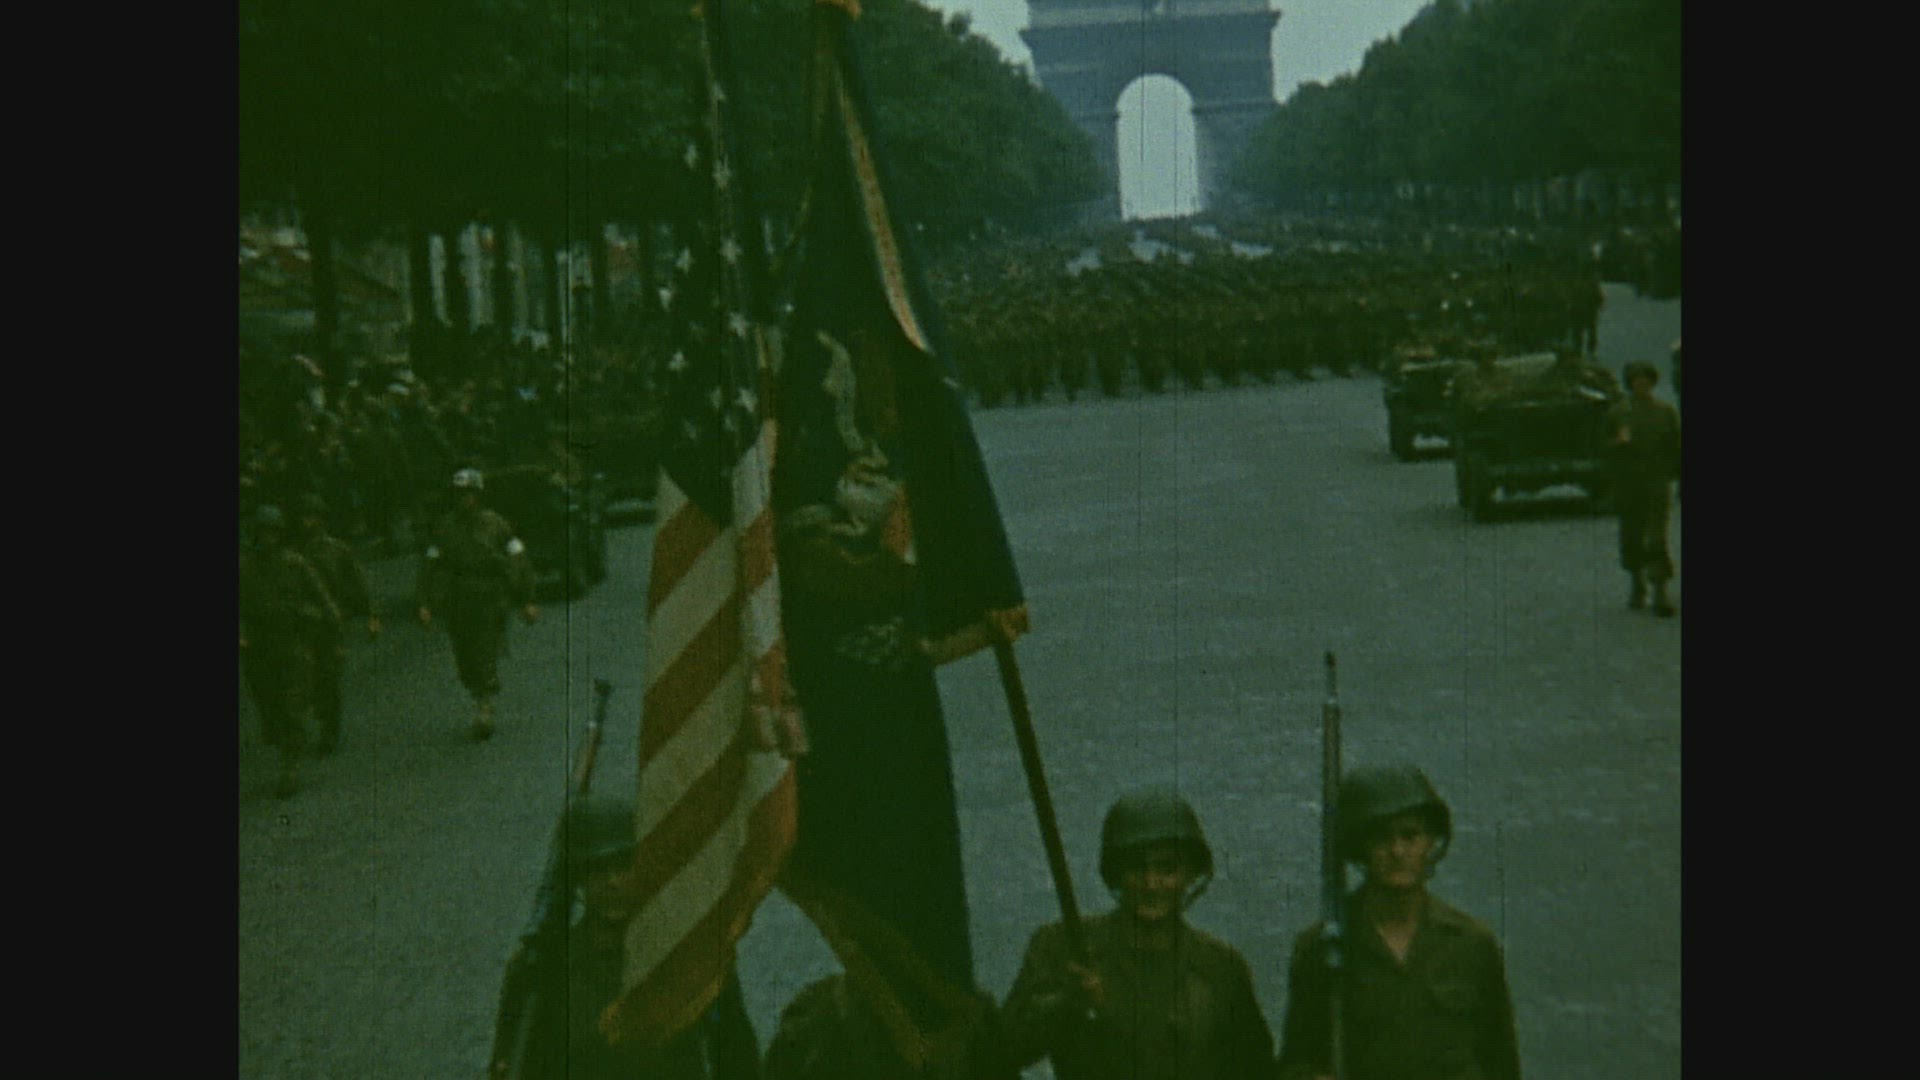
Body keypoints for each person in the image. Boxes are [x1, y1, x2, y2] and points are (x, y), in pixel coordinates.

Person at [1000, 787, 1275, 1080]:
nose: (1151, 883)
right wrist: (1066, 1004)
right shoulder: (1063, 949)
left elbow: (1257, 1071)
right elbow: (1000, 1051)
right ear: (1115, 873)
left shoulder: (1222, 969)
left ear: (1190, 874)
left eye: (1166, 869)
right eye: (1136, 867)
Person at [1274, 766, 1521, 1080]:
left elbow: (1501, 1064)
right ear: (1361, 846)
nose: (1397, 851)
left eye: (1410, 835)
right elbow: (1296, 1060)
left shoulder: (1472, 945)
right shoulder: (1323, 947)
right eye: (1381, 838)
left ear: (1430, 842)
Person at [496, 794, 760, 1080]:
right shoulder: (544, 970)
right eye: (598, 869)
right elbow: (518, 1064)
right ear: (579, 878)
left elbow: (737, 1059)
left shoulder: (691, 956)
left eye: (624, 866)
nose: (612, 882)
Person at [415, 468, 537, 739]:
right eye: (459, 494)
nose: (464, 499)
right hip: (458, 600)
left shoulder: (496, 524)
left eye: (469, 494)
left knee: (484, 650)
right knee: (464, 656)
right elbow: (430, 565)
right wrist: (424, 603)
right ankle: (478, 692)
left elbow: (518, 559)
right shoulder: (444, 528)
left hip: (490, 598)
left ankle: (484, 706)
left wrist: (527, 599)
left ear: (478, 495)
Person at [239, 504, 342, 798]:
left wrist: (334, 637)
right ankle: (282, 739)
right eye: (262, 533)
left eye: (272, 533)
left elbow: (322, 598)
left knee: (292, 706)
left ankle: (290, 765)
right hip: (259, 647)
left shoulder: (295, 564)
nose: (267, 539)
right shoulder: (244, 568)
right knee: (269, 706)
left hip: (293, 643)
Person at [292, 494, 380, 754]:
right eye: (303, 516)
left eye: (311, 516)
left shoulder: (337, 550)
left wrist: (372, 615)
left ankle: (328, 728)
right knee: (302, 676)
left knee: (327, 677)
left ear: (320, 519)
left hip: (330, 623)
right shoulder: (293, 553)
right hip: (301, 623)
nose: (306, 521)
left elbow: (357, 582)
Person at [1607, 362, 1681, 616]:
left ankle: (1659, 589)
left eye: (1646, 380)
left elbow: (1676, 446)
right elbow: (1602, 447)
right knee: (1631, 535)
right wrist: (1618, 443)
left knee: (1656, 537)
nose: (1642, 385)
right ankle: (1636, 582)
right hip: (1628, 483)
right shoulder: (1618, 413)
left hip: (1657, 481)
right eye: (1636, 381)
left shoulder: (1665, 412)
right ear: (1630, 384)